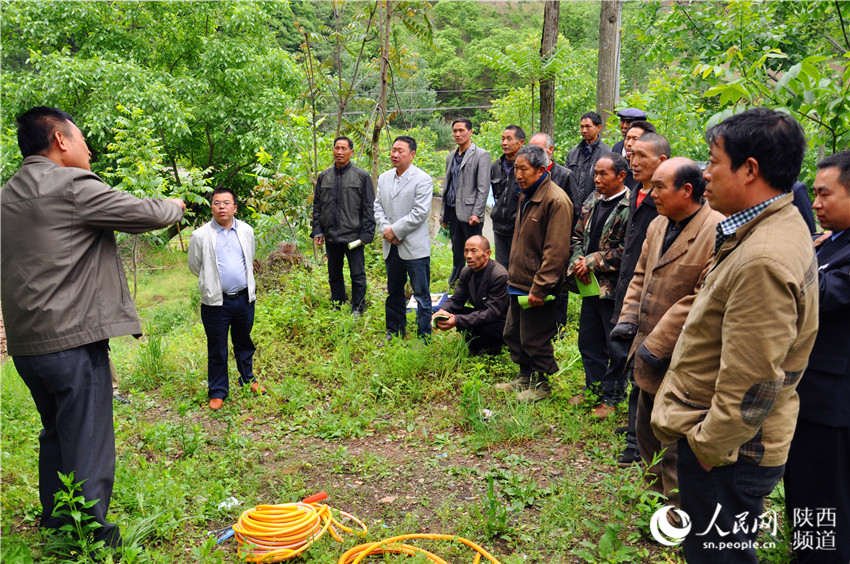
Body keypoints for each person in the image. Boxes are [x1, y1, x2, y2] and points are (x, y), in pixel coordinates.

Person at [1, 106, 185, 546]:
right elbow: (146, 213)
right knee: (87, 438)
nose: (89, 149)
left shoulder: (7, 194)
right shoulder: (70, 185)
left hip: (27, 346)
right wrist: (174, 205)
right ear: (60, 141)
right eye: (82, 139)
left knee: (57, 433)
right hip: (72, 340)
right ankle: (91, 539)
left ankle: (58, 524)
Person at [651, 108, 818, 563]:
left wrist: (708, 447)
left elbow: (754, 378)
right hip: (731, 445)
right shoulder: (770, 227)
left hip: (729, 453)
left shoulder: (763, 256)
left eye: (712, 162)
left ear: (749, 170)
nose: (705, 174)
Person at [615, 157, 723, 505]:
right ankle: (653, 498)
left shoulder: (717, 231)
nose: (651, 192)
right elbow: (640, 277)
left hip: (685, 356)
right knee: (645, 428)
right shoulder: (659, 225)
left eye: (660, 186)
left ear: (687, 190)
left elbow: (703, 297)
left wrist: (658, 342)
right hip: (647, 349)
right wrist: (629, 320)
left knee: (674, 436)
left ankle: (679, 509)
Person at [784, 150, 850, 564]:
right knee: (807, 487)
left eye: (825, 195)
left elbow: (821, 296)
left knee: (824, 493)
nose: (817, 205)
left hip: (833, 403)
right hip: (813, 394)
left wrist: (792, 254)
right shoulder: (834, 241)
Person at [610, 132, 669, 464]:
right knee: (630, 359)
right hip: (629, 286)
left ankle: (638, 441)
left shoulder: (665, 201)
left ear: (661, 162)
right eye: (630, 154)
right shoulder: (635, 193)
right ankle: (635, 429)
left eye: (640, 155)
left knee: (647, 364)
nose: (631, 158)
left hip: (656, 298)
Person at [498, 145, 573, 402]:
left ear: (542, 169)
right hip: (518, 279)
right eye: (516, 169)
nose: (518, 174)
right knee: (513, 331)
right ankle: (524, 376)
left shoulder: (556, 200)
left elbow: (556, 251)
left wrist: (540, 287)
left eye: (524, 169)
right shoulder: (526, 194)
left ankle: (542, 384)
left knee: (535, 336)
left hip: (537, 283)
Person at [567, 153, 630, 417]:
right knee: (589, 340)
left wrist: (595, 260)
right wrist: (578, 261)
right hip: (589, 285)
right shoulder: (592, 201)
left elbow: (629, 250)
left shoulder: (630, 207)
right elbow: (576, 235)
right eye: (596, 173)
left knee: (613, 342)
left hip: (613, 288)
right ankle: (592, 387)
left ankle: (612, 397)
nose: (597, 179)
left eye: (604, 174)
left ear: (621, 176)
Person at [189, 187, 261, 411]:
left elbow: (250, 257)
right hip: (216, 302)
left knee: (244, 341)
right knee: (217, 347)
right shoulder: (200, 236)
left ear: (235, 207)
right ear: (211, 207)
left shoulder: (246, 231)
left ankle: (247, 378)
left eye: (226, 203)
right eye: (217, 203)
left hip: (243, 298)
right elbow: (195, 266)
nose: (222, 207)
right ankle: (218, 391)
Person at [374, 136, 433, 339]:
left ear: (412, 154)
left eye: (400, 151)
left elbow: (420, 212)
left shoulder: (422, 179)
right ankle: (394, 330)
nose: (395, 154)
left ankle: (424, 335)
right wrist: (386, 230)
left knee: (421, 294)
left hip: (414, 247)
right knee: (394, 291)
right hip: (391, 246)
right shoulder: (384, 178)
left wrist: (395, 231)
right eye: (393, 150)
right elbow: (378, 206)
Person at [311, 136, 375, 314]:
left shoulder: (361, 176)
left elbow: (369, 206)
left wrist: (366, 234)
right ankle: (337, 303)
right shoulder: (324, 177)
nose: (339, 152)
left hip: (354, 236)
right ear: (333, 150)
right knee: (334, 274)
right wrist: (317, 230)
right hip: (331, 235)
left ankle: (358, 307)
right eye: (336, 148)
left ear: (351, 152)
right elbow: (317, 206)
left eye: (343, 148)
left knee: (357, 274)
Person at [529, 131, 576, 331]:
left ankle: (559, 327)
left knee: (558, 282)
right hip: (536, 239)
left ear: (550, 150)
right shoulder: (529, 175)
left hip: (558, 237)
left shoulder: (564, 175)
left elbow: (575, 207)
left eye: (538, 149)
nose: (534, 153)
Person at [432, 235, 508, 355]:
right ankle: (472, 344)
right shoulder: (466, 272)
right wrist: (442, 311)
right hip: (481, 314)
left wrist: (457, 320)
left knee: (486, 325)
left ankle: (492, 348)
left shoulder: (499, 275)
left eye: (474, 251)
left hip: (500, 321)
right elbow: (456, 300)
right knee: (453, 312)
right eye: (466, 251)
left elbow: (492, 313)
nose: (468, 256)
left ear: (487, 253)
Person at [441, 119, 491, 286]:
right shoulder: (451, 156)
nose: (457, 134)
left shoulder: (481, 155)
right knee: (457, 251)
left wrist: (477, 213)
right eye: (455, 131)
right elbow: (447, 185)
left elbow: (483, 187)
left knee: (475, 253)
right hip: (452, 211)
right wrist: (444, 213)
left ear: (470, 132)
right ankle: (457, 282)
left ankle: (479, 283)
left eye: (461, 130)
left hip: (470, 214)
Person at [490, 125, 526, 268]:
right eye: (503, 139)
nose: (504, 143)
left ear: (521, 142)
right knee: (501, 267)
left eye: (509, 139)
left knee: (519, 267)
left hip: (520, 227)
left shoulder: (527, 167)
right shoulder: (496, 166)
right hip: (499, 226)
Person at [565, 111, 611, 210]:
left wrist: (588, 206)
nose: (584, 130)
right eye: (581, 127)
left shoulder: (607, 154)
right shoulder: (573, 153)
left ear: (598, 128)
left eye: (588, 126)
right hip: (572, 207)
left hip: (596, 207)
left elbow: (607, 184)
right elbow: (566, 181)